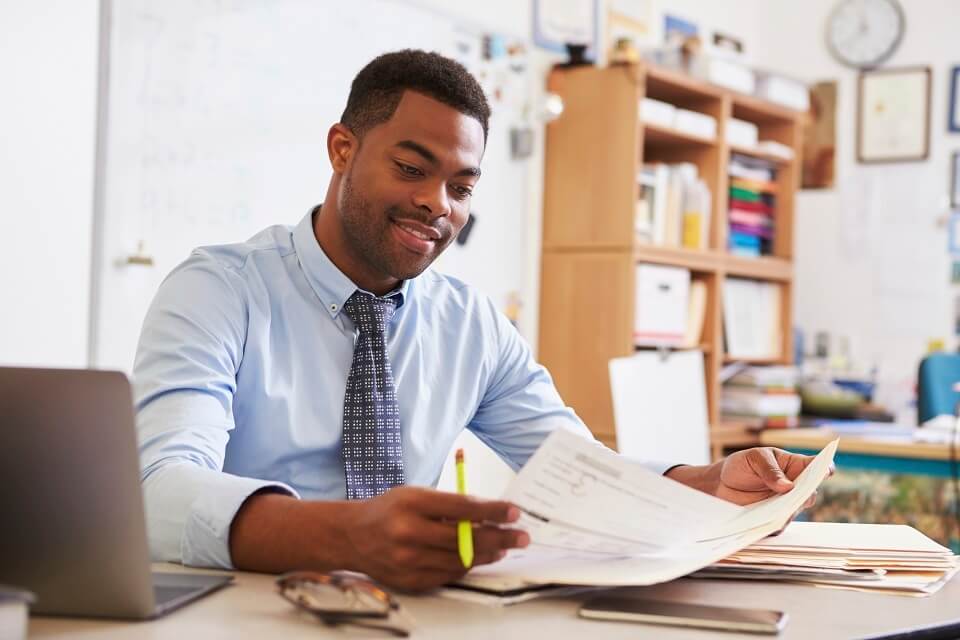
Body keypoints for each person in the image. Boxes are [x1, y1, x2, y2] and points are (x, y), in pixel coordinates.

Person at [134, 49, 819, 593]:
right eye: (410, 167)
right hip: (244, 612)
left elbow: (577, 471)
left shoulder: (470, 323)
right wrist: (344, 535)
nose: (437, 205)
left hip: (405, 613)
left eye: (462, 188)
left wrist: (702, 483)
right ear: (343, 148)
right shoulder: (219, 290)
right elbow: (158, 489)